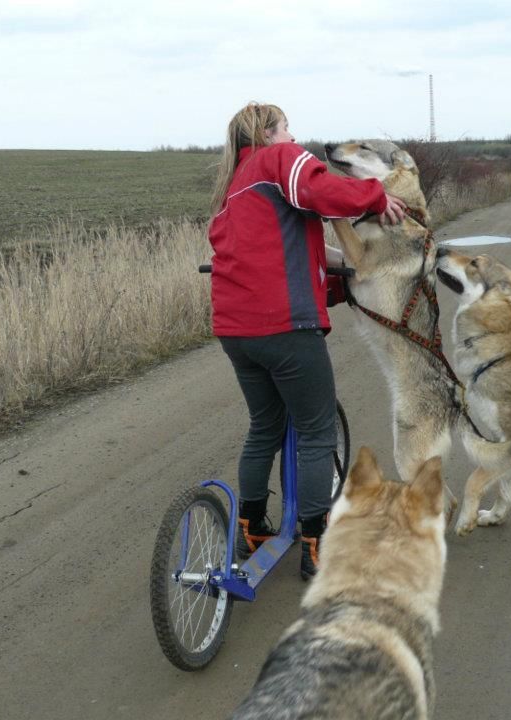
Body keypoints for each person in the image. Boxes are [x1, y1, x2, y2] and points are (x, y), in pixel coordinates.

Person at [207, 102, 406, 580]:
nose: (293, 135)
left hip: (236, 331)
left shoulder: (236, 186)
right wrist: (376, 195)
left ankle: (253, 526)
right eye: (287, 127)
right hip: (285, 329)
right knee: (317, 431)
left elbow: (286, 255)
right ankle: (315, 544)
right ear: (270, 133)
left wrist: (337, 286)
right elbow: (320, 188)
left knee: (265, 427)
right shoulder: (280, 159)